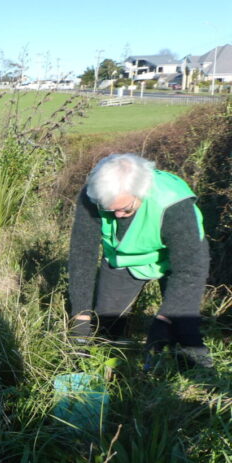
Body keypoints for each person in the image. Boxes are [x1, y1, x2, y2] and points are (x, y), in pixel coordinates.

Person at [68, 153, 212, 369]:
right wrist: (80, 315)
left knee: (183, 327)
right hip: (125, 258)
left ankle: (199, 377)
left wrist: (164, 320)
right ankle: (108, 372)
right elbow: (82, 254)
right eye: (109, 209)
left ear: (142, 192)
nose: (116, 215)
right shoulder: (93, 194)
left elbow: (190, 270)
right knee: (107, 325)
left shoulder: (173, 203)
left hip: (177, 260)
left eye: (125, 208)